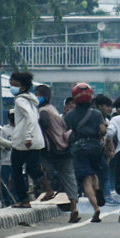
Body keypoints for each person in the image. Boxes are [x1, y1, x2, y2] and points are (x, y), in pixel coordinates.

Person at [35, 84, 80, 223]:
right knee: (69, 179)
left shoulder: (43, 111)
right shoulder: (53, 109)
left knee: (37, 168)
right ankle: (74, 208)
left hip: (51, 149)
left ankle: (48, 190)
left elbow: (45, 123)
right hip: (64, 148)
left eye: (37, 94)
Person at [8, 71, 54, 208]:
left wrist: (28, 136)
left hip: (24, 141)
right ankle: (48, 189)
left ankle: (23, 199)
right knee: (32, 168)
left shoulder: (20, 100)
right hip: (36, 140)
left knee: (16, 169)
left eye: (14, 84)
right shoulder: (32, 100)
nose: (11, 86)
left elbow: (30, 117)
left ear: (22, 87)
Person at [63, 82, 107, 223]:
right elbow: (103, 131)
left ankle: (95, 208)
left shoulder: (69, 115)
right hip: (95, 147)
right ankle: (98, 188)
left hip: (79, 148)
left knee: (86, 180)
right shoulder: (97, 113)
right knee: (94, 173)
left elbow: (66, 131)